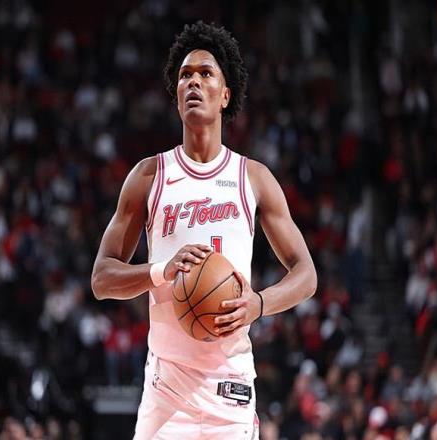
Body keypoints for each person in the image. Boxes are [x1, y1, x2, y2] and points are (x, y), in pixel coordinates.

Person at [91, 21, 317, 439]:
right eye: (184, 76)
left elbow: (306, 275)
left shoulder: (253, 178)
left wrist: (259, 304)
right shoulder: (149, 176)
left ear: (225, 95)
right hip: (166, 391)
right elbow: (101, 279)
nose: (193, 81)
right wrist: (159, 270)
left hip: (230, 388)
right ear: (176, 95)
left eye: (205, 73)